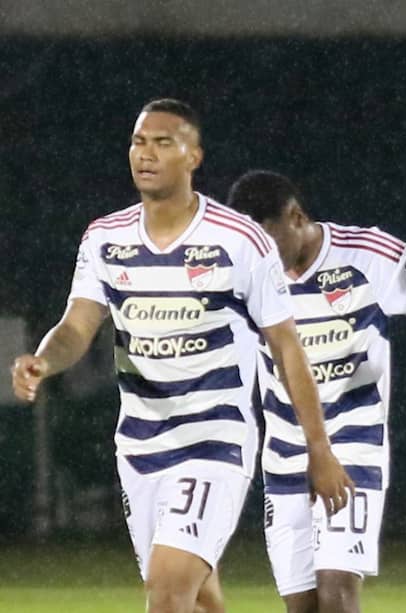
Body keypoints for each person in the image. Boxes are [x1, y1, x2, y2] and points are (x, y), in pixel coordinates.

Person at [9, 99, 352, 613]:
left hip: (214, 441)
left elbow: (286, 346)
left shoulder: (238, 240)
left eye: (163, 143)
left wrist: (318, 449)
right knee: (199, 601)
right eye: (138, 142)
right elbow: (77, 325)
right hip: (140, 448)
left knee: (167, 593)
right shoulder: (105, 239)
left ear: (194, 157)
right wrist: (43, 360)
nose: (145, 154)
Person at [226, 169, 406, 613]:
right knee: (302, 607)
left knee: (336, 592)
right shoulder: (246, 273)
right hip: (283, 454)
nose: (261, 258)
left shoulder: (365, 255)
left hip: (353, 441)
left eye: (267, 243)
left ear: (296, 217)